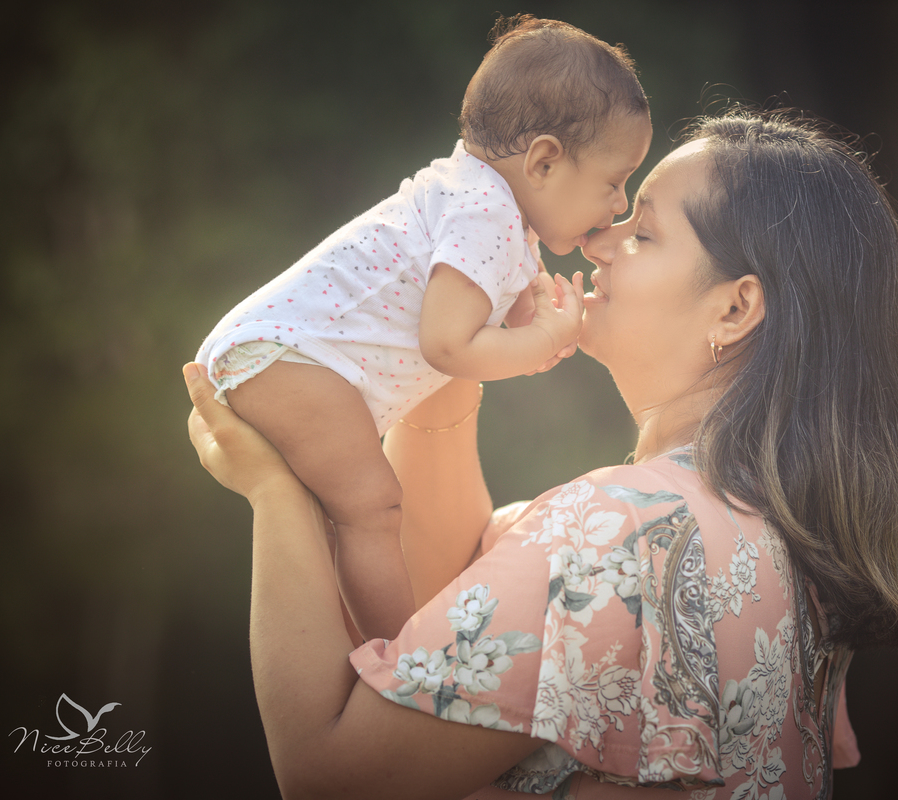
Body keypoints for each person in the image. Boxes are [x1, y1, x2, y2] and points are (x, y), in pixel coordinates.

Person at [185, 109, 898, 799]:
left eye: (644, 232)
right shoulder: (761, 535)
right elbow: (445, 611)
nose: (598, 242)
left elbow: (328, 778)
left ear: (735, 307)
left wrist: (276, 493)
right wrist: (458, 353)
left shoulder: (616, 534)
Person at [193, 16, 652, 641]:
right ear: (543, 161)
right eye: (614, 182)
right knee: (372, 508)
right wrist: (539, 340)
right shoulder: (485, 213)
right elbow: (449, 343)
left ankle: (364, 654)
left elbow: (491, 319)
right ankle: (397, 662)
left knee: (342, 516)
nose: (620, 205)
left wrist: (536, 322)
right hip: (286, 356)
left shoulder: (485, 206)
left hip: (283, 354)